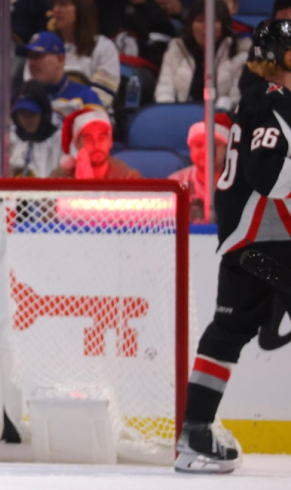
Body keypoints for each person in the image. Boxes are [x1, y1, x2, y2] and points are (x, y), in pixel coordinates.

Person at [174, 20, 291, 473]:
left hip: (243, 242)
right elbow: (267, 176)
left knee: (227, 331)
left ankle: (195, 433)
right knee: (230, 332)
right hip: (269, 238)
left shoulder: (256, 100)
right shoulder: (275, 101)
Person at [155, 0, 248, 111]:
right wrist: (168, 113)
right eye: (200, 20)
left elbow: (236, 99)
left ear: (224, 25)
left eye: (214, 20)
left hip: (221, 121)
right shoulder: (177, 49)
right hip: (180, 118)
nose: (206, 26)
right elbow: (164, 89)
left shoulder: (240, 54)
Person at [35, 0, 120, 110]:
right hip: (48, 120)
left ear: (82, 9)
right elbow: (33, 91)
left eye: (63, 4)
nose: (56, 10)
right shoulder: (42, 47)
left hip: (89, 120)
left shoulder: (104, 47)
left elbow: (101, 98)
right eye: (54, 5)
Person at [18, 31, 105, 125]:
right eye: (29, 57)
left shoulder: (85, 97)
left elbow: (100, 135)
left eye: (37, 56)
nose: (31, 64)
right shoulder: (21, 98)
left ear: (60, 59)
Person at [169, 113, 231, 223]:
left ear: (227, 149)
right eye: (198, 145)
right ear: (190, 149)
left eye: (212, 145)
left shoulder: (239, 182)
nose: (205, 151)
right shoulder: (176, 182)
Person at [51, 108, 141, 179]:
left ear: (110, 141)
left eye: (102, 138)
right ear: (77, 144)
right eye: (88, 138)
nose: (96, 144)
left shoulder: (128, 178)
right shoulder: (60, 178)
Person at [10, 80, 63, 177]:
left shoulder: (59, 141)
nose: (26, 120)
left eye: (32, 114)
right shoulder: (11, 139)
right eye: (22, 114)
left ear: (44, 114)